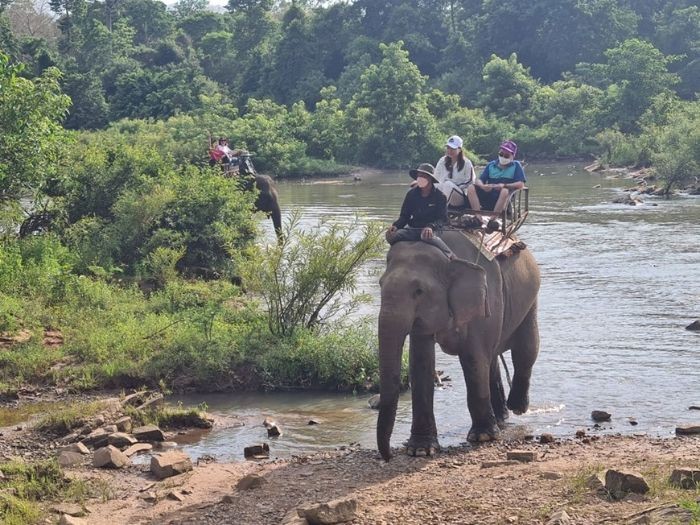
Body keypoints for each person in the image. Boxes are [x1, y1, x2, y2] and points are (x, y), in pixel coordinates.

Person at [387, 163, 457, 260]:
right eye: (419, 176)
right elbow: (404, 216)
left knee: (426, 237)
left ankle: (451, 256)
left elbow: (442, 219)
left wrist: (430, 227)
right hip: (412, 229)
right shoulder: (411, 194)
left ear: (430, 179)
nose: (420, 178)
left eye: (424, 176)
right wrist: (395, 226)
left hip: (430, 231)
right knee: (391, 236)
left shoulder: (440, 197)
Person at [467, 140, 526, 214]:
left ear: (512, 156)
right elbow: (479, 180)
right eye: (501, 154)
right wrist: (483, 186)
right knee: (471, 187)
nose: (503, 157)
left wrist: (504, 185)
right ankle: (478, 216)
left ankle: (493, 219)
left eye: (506, 156)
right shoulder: (491, 165)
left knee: (504, 191)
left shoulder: (516, 165)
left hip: (505, 198)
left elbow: (520, 184)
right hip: (489, 195)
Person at [434, 135, 475, 207]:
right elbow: (435, 178)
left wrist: (454, 184)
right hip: (442, 192)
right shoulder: (442, 161)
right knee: (429, 184)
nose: (450, 150)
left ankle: (439, 211)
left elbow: (470, 182)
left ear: (459, 149)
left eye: (453, 148)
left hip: (459, 196)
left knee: (448, 185)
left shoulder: (467, 163)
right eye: (448, 148)